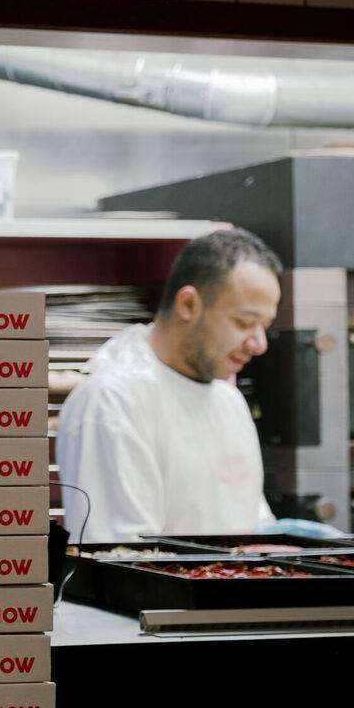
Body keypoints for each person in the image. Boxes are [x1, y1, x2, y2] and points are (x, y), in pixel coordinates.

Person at [57, 228, 283, 541]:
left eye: (265, 326)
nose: (259, 344)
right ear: (189, 304)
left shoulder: (228, 400)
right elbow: (123, 560)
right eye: (244, 323)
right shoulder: (112, 401)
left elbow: (253, 530)